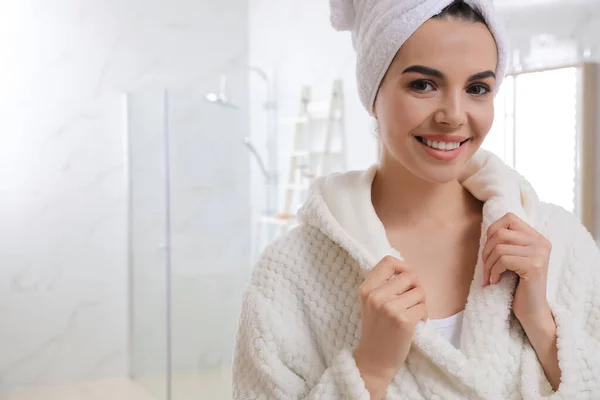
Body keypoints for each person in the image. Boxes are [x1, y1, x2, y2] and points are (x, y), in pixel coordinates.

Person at [232, 0, 600, 398]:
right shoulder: (290, 274)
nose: (454, 115)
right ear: (373, 93)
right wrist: (369, 370)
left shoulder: (559, 244)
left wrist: (542, 324)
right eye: (423, 84)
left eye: (477, 88)